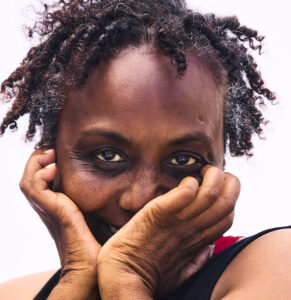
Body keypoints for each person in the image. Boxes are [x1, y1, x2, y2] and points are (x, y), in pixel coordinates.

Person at [0, 0, 291, 299]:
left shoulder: (278, 268)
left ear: (221, 165)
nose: (141, 200)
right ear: (50, 157)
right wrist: (77, 282)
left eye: (182, 159)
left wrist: (129, 275)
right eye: (108, 156)